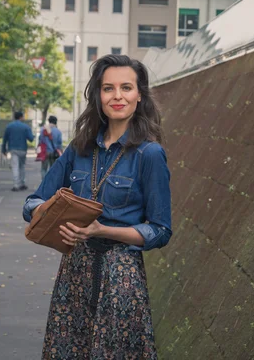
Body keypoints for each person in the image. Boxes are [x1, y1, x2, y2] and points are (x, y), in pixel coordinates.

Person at [22, 55, 172, 359]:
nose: (117, 96)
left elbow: (160, 230)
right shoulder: (80, 148)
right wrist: (49, 214)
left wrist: (102, 229)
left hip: (121, 276)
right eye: (108, 88)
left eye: (126, 87)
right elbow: (32, 202)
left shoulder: (150, 154)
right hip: (74, 271)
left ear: (139, 94)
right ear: (98, 96)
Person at [2, 111, 35, 192]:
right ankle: (22, 183)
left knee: (15, 167)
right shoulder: (25, 127)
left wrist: (4, 149)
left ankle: (16, 185)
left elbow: (5, 139)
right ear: (20, 117)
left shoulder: (9, 126)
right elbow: (31, 138)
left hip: (13, 149)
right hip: (23, 149)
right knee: (22, 166)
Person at [39, 115, 63, 180]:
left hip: (44, 152)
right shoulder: (58, 131)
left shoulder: (42, 130)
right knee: (52, 169)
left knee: (43, 168)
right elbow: (59, 144)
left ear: (48, 121)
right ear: (56, 122)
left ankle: (43, 183)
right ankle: (51, 183)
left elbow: (40, 141)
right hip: (54, 152)